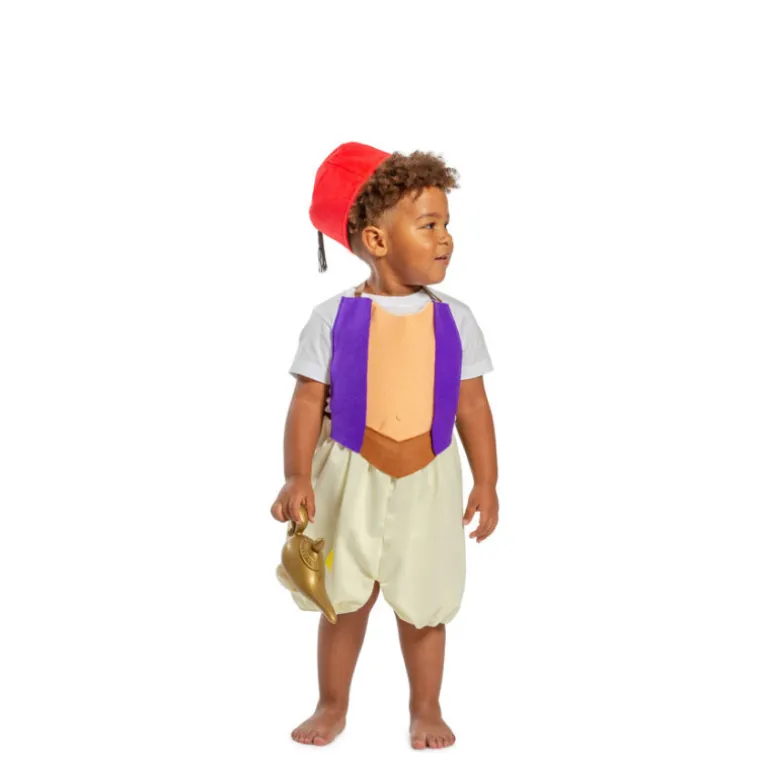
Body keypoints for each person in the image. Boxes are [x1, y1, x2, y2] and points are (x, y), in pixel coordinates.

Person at [271, 141, 499, 749]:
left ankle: (426, 707)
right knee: (343, 600)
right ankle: (331, 704)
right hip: (350, 473)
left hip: (429, 476)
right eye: (429, 225)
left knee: (425, 600)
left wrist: (487, 481)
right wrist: (297, 476)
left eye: (447, 224)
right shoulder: (333, 316)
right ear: (376, 240)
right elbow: (305, 402)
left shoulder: (456, 318)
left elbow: (473, 406)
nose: (446, 238)